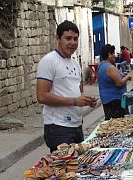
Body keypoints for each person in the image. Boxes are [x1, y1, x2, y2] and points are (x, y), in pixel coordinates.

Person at [36, 20, 96, 152]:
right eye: (68, 38)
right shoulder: (49, 61)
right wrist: (74, 101)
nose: (73, 43)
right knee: (63, 169)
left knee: (78, 168)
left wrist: (86, 101)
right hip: (58, 127)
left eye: (75, 39)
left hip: (76, 124)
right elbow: (42, 96)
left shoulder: (75, 64)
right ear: (57, 38)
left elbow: (76, 93)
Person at [98, 44, 132, 120]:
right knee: (118, 124)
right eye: (113, 53)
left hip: (107, 99)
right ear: (109, 54)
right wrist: (127, 77)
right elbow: (119, 83)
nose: (114, 56)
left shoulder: (101, 65)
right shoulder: (110, 67)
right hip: (115, 101)